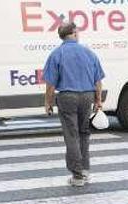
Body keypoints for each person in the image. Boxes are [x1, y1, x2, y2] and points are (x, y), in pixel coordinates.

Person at [43, 22, 105, 187]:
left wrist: (48, 102)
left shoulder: (57, 54)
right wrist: (98, 101)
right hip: (87, 96)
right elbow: (98, 81)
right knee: (84, 133)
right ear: (74, 33)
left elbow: (50, 84)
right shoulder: (89, 53)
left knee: (72, 135)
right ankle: (85, 170)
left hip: (67, 97)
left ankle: (77, 176)